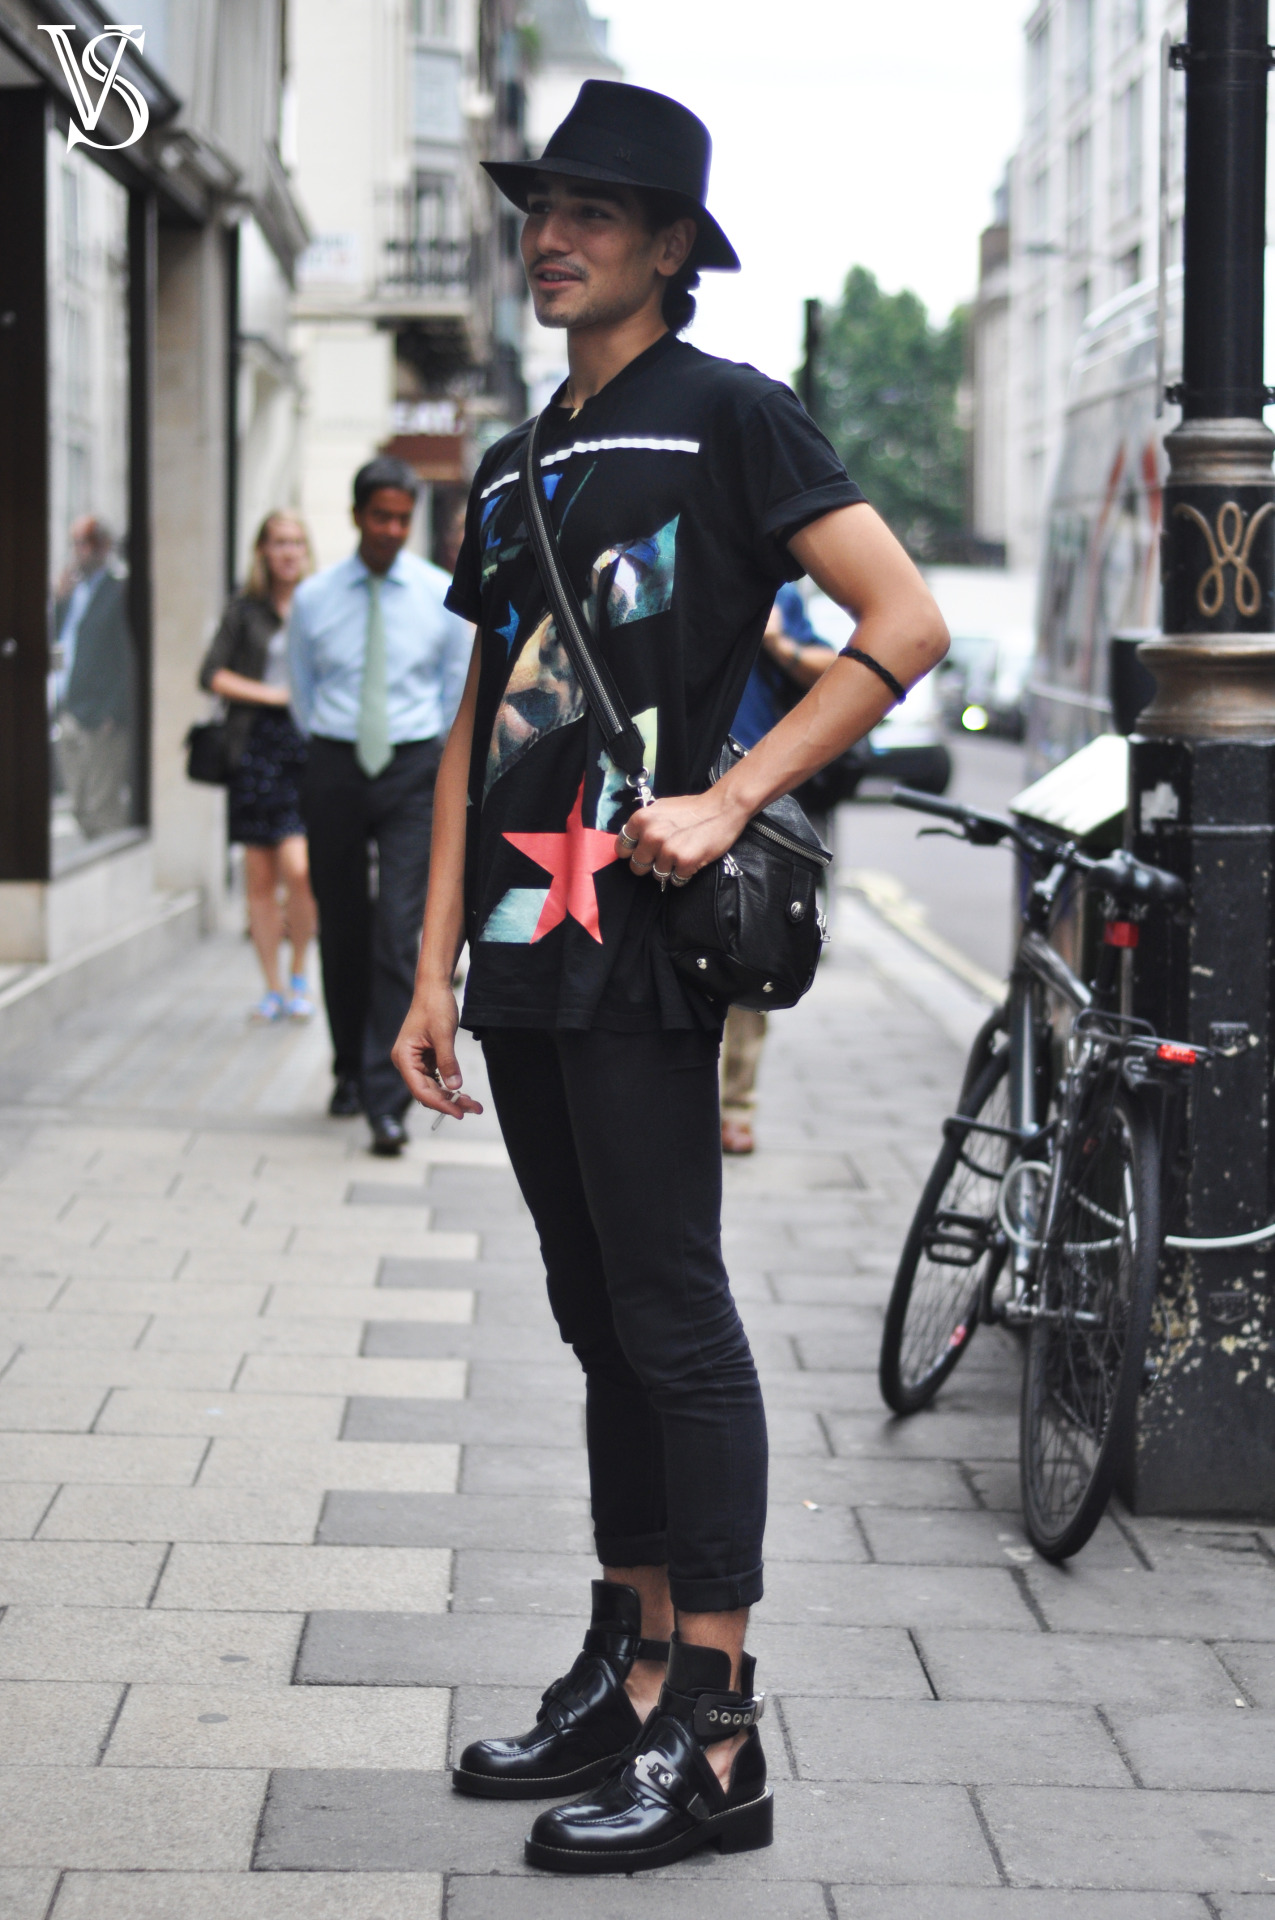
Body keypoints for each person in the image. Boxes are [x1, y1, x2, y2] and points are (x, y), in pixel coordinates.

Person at [391, 80, 947, 1874]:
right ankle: (627, 1669)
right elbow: (481, 722)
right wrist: (422, 969)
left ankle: (717, 1733)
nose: (555, 236)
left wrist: (729, 795)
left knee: (675, 1316)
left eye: (599, 215)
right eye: (543, 208)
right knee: (593, 1315)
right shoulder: (507, 462)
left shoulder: (731, 418)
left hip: (638, 943)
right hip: (517, 947)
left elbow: (905, 625)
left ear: (673, 249)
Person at [289, 456, 473, 1156]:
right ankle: (345, 1068)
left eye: (402, 518)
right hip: (336, 762)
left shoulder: (438, 594)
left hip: (410, 768)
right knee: (341, 924)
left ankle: (385, 1097)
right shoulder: (314, 598)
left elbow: (453, 687)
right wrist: (328, 749)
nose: (392, 529)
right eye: (380, 516)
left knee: (399, 931)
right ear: (357, 515)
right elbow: (303, 694)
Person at [720, 582, 838, 1155]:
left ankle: (735, 1105)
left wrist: (778, 643)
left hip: (755, 800)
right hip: (666, 787)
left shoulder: (778, 593)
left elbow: (835, 670)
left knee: (748, 950)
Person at [199, 512, 318, 1022]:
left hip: (306, 748)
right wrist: (271, 695)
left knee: (301, 869)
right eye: (278, 543)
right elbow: (212, 675)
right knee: (258, 877)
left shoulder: (318, 605)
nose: (288, 552)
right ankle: (272, 989)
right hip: (253, 747)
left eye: (296, 542)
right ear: (263, 551)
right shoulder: (244, 611)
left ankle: (299, 974)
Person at [52, 517, 136, 840]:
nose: (78, 552)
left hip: (101, 714)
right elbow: (61, 639)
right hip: (68, 706)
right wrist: (58, 601)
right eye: (74, 544)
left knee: (103, 804)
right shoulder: (73, 592)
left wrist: (113, 711)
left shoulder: (118, 591)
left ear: (102, 548)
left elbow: (124, 657)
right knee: (79, 804)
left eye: (84, 544)